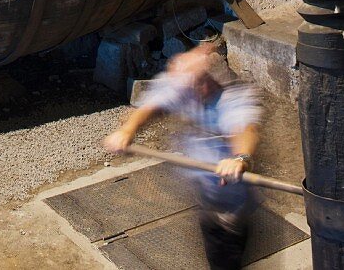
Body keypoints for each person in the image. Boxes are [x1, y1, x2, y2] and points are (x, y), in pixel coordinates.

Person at [103, 42, 261, 270]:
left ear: (213, 78)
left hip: (230, 202)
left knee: (224, 257)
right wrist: (128, 130)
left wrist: (240, 157)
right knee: (212, 240)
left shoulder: (232, 98)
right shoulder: (187, 86)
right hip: (206, 189)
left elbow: (245, 130)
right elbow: (152, 106)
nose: (196, 90)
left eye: (201, 82)